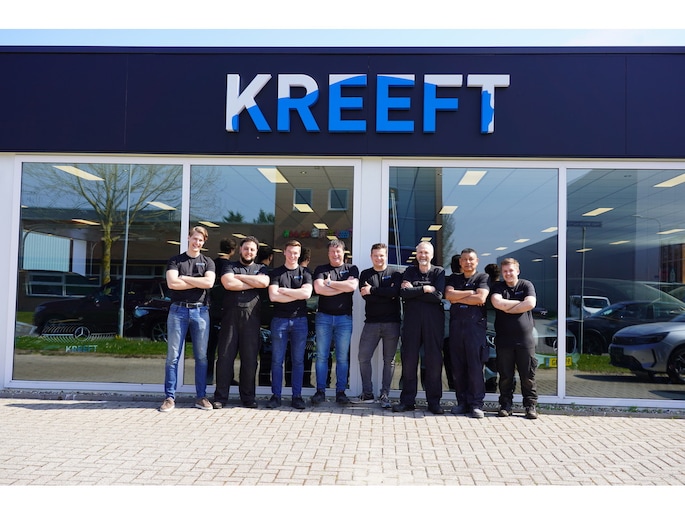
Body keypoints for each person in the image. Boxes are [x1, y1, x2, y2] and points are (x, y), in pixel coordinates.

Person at [159, 226, 216, 412]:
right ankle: (169, 397)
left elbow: (209, 283)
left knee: (201, 357)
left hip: (201, 312)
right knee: (172, 357)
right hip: (178, 311)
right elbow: (172, 283)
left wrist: (184, 278)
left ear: (204, 242)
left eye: (200, 240)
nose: (197, 242)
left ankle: (201, 397)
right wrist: (196, 281)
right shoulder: (175, 260)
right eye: (194, 238)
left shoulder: (208, 262)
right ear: (188, 238)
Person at [213, 236, 269, 409]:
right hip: (230, 318)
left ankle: (248, 398)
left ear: (256, 252)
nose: (248, 252)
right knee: (224, 358)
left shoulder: (261, 268)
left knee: (250, 359)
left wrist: (240, 278)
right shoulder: (229, 266)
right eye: (246, 248)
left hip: (251, 319)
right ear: (240, 250)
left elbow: (264, 282)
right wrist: (253, 282)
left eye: (252, 249)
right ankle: (220, 397)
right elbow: (229, 283)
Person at [392, 241, 445, 414]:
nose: (423, 255)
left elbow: (438, 296)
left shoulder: (439, 272)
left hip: (433, 323)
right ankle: (407, 401)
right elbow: (403, 293)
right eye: (420, 252)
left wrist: (415, 290)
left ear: (432, 255)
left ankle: (434, 402)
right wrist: (426, 289)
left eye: (426, 252)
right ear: (417, 254)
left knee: (433, 363)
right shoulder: (410, 271)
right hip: (412, 322)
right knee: (409, 362)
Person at [265, 240, 313, 410]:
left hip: (300, 321)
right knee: (277, 360)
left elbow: (307, 294)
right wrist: (296, 294)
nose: (293, 255)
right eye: (290, 252)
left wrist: (285, 291)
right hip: (279, 321)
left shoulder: (305, 273)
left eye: (296, 253)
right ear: (284, 252)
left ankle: (297, 396)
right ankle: (276, 396)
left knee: (298, 360)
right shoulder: (276, 273)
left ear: (299, 254)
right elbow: (273, 296)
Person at [489, 257, 539, 419]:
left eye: (511, 270)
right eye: (505, 271)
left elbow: (530, 304)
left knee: (528, 376)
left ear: (518, 271)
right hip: (504, 340)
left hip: (525, 340)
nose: (508, 273)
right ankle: (506, 405)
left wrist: (507, 307)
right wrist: (519, 304)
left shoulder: (526, 285)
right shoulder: (498, 287)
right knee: (505, 376)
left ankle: (530, 406)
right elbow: (498, 303)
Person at [312, 238, 359, 405]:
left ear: (343, 252)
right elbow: (319, 289)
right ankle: (320, 391)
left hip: (344, 319)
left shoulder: (351, 268)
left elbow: (352, 287)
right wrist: (341, 287)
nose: (335, 254)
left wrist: (330, 283)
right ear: (328, 254)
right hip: (323, 318)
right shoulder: (321, 269)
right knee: (322, 356)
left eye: (338, 251)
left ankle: (341, 392)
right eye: (332, 252)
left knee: (342, 357)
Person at [445, 248, 490, 418]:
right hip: (456, 327)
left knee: (475, 367)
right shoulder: (454, 278)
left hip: (474, 328)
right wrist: (471, 293)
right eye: (464, 259)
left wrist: (459, 297)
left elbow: (481, 298)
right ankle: (462, 403)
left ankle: (476, 404)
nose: (467, 262)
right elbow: (449, 295)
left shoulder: (482, 278)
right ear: (460, 262)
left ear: (477, 261)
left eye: (471, 259)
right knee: (458, 367)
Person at [357, 243, 402, 408]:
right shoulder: (365, 274)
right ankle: (367, 393)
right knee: (363, 357)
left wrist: (374, 290)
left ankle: (385, 395)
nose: (379, 258)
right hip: (371, 323)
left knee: (389, 360)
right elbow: (366, 296)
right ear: (371, 257)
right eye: (375, 255)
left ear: (386, 256)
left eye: (381, 255)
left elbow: (395, 293)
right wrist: (386, 293)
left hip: (392, 323)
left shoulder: (395, 273)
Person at [207, 237, 237, 385]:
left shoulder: (212, 264)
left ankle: (207, 377)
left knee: (210, 348)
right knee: (227, 348)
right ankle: (227, 378)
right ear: (232, 250)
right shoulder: (230, 267)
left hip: (211, 309)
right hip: (227, 309)